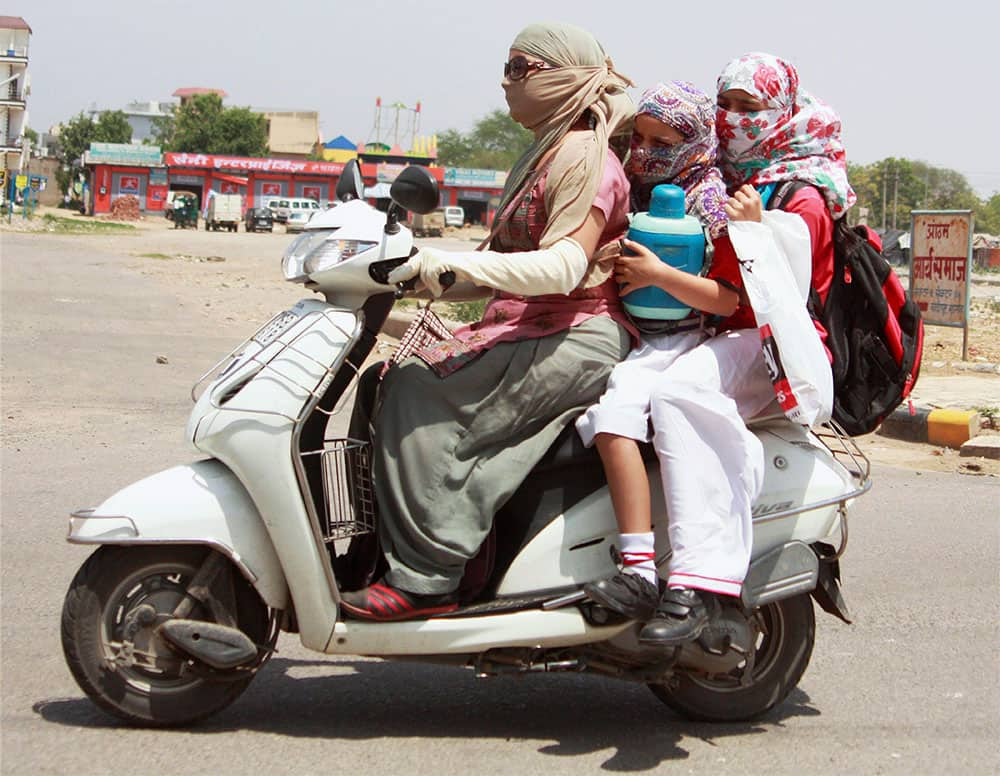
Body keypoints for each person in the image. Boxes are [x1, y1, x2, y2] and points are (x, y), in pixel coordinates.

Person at [341, 21, 637, 621]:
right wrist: (414, 274)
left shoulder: (585, 155)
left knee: (411, 390)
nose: (505, 82)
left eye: (519, 68)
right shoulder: (546, 151)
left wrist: (444, 264)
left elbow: (562, 266)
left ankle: (430, 578)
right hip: (531, 324)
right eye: (506, 67)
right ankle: (377, 551)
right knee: (378, 384)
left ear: (564, 77)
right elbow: (501, 266)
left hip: (574, 334)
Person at [584, 53, 856, 648]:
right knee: (627, 406)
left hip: (775, 346)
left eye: (749, 108)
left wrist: (756, 232)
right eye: (725, 106)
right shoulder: (731, 180)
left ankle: (702, 583)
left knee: (683, 393)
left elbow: (760, 298)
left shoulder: (798, 194)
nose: (733, 120)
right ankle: (643, 564)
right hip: (725, 332)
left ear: (782, 112)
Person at [574, 81, 750, 622]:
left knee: (614, 419)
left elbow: (728, 300)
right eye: (639, 138)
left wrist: (658, 274)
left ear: (695, 142)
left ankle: (639, 570)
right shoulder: (634, 185)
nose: (645, 153)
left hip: (680, 341)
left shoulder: (709, 201)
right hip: (625, 329)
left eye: (662, 142)